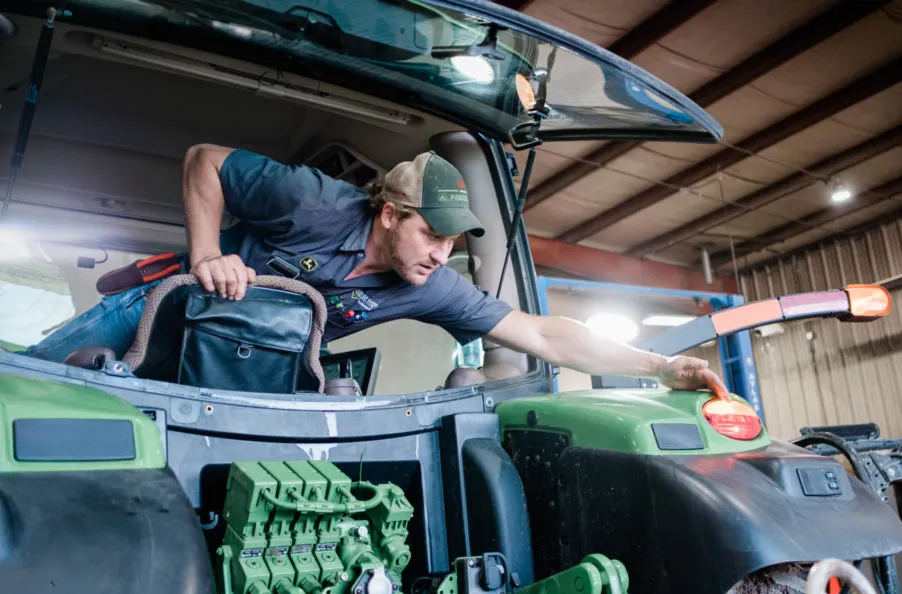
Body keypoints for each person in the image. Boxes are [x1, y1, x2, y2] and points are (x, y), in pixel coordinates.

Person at [24, 144, 726, 394]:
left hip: (248, 376)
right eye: (430, 234)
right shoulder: (311, 202)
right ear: (390, 211)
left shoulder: (430, 284)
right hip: (158, 316)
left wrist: (661, 367)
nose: (439, 255)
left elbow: (546, 335)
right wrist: (209, 254)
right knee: (32, 385)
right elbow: (205, 160)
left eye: (453, 244)